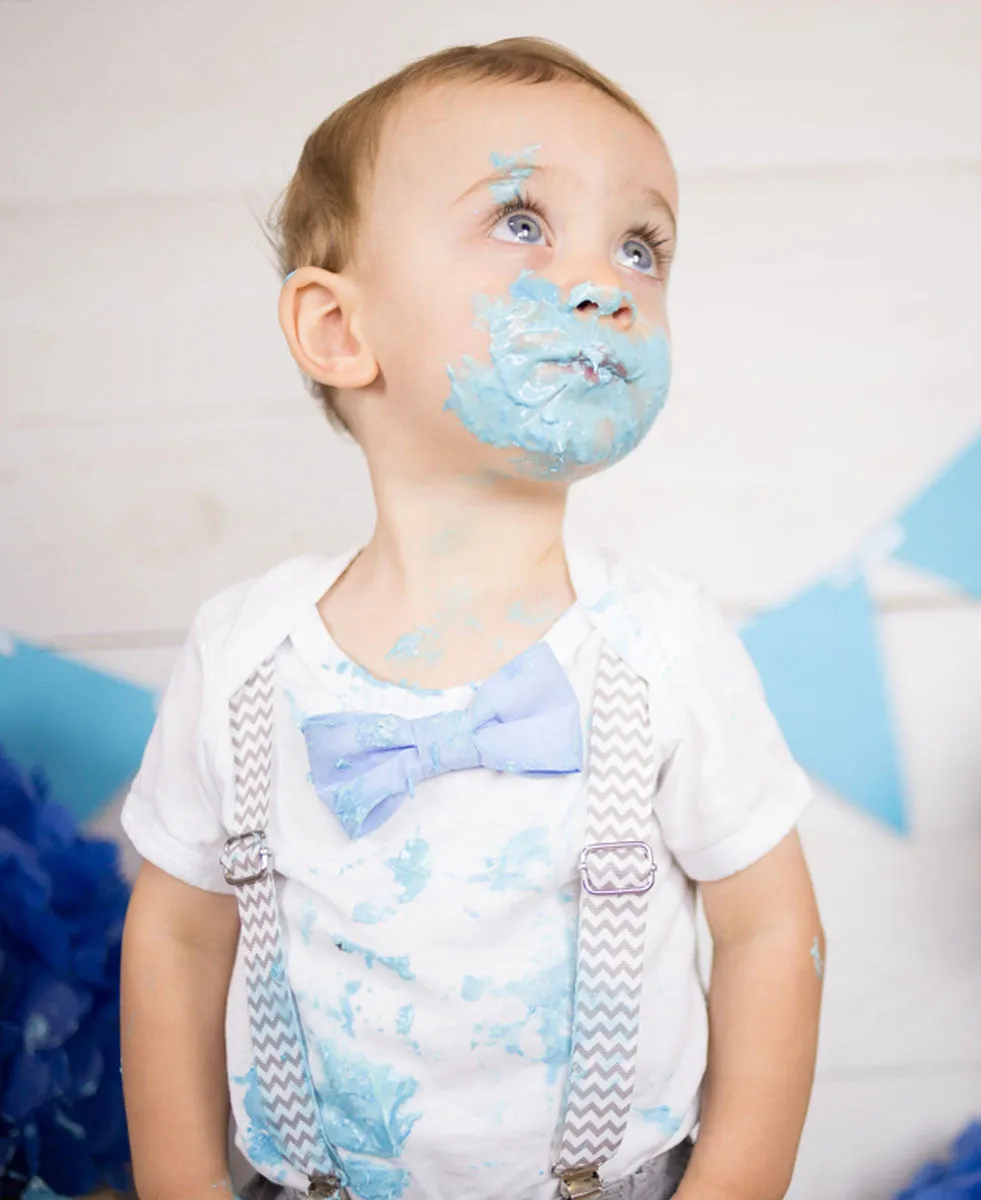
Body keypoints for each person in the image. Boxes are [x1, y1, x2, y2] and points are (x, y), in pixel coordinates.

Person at [118, 36, 826, 1200]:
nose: (605, 280)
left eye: (640, 246)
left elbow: (769, 938)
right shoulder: (243, 651)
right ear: (340, 331)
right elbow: (178, 942)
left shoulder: (659, 645)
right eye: (520, 222)